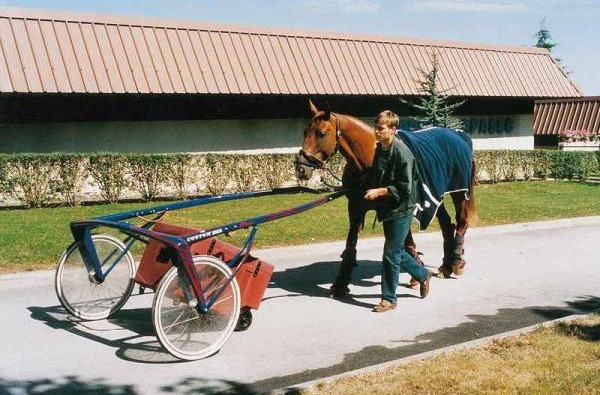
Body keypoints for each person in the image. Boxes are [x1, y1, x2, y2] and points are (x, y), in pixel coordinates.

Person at [364, 110, 433, 313]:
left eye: (381, 128)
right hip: (388, 206)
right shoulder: (380, 149)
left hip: (402, 206)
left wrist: (379, 191)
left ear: (393, 129)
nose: (376, 131)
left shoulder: (402, 153)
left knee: (390, 252)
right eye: (376, 127)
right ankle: (422, 274)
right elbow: (378, 175)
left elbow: (405, 188)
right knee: (397, 251)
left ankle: (389, 299)